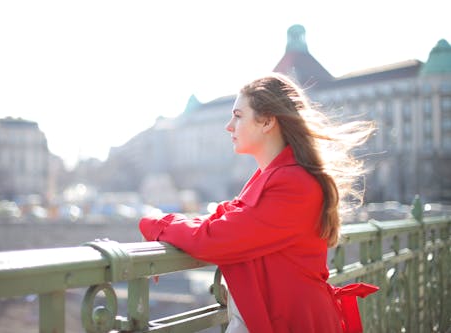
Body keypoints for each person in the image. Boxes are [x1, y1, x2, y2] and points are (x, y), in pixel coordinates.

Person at [139, 73, 379, 333]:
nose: (229, 126)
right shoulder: (274, 177)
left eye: (238, 115)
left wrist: (155, 225)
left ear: (266, 121)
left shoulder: (292, 182)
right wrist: (165, 225)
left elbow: (216, 237)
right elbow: (222, 220)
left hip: (296, 322)